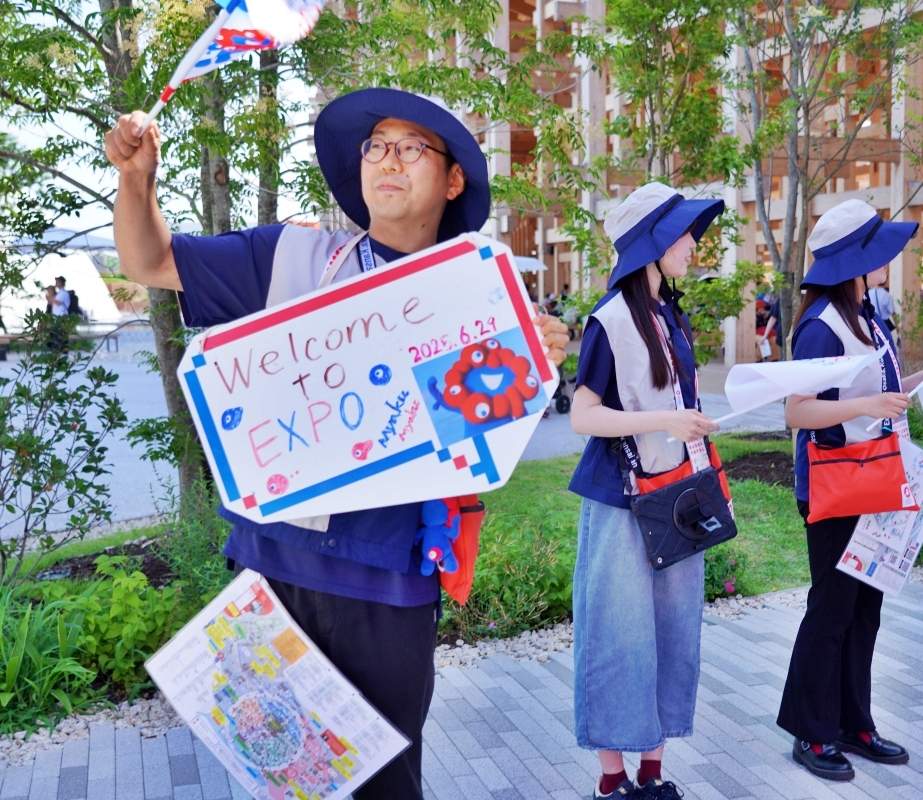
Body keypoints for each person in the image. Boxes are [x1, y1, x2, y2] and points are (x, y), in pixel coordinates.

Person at [105, 88, 569, 799]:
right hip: (270, 567)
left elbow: (477, 439)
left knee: (384, 786)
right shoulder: (291, 255)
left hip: (386, 580)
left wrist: (533, 359)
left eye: (411, 147)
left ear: (453, 180)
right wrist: (136, 181)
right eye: (376, 146)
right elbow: (148, 262)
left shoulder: (474, 295)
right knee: (284, 777)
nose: (388, 160)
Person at [568, 182, 724, 799]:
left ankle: (653, 773)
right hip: (621, 497)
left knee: (671, 628)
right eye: (683, 234)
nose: (693, 245)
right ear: (653, 242)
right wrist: (665, 420)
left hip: (677, 490)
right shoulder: (609, 318)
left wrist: (687, 423)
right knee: (618, 631)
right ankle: (613, 780)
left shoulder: (668, 314)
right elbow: (583, 416)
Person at [780, 199, 923, 781]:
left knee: (863, 610)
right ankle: (811, 731)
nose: (887, 258)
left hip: (873, 477)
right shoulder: (821, 325)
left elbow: (882, 391)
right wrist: (869, 405)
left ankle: (854, 723)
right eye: (877, 249)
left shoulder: (865, 316)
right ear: (853, 259)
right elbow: (798, 411)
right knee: (832, 609)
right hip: (836, 485)